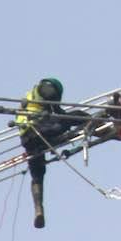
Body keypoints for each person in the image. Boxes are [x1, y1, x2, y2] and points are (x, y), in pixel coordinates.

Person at [16, 77, 72, 228]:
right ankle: (98, 126)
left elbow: (55, 110)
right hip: (40, 130)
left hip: (27, 139)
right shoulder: (46, 90)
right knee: (75, 117)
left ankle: (38, 209)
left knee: (37, 174)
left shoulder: (30, 96)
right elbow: (58, 111)